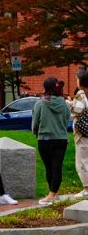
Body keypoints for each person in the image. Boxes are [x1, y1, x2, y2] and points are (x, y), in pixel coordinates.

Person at [32, 76, 71, 205]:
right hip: (61, 139)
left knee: (49, 168)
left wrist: (36, 132)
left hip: (45, 139)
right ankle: (54, 193)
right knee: (57, 167)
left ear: (45, 88)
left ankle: (52, 195)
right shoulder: (64, 104)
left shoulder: (40, 103)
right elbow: (66, 120)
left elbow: (35, 122)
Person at [70, 69, 88, 198]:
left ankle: (87, 189)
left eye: (77, 79)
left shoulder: (81, 93)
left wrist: (70, 105)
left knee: (82, 161)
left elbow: (77, 110)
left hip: (82, 133)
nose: (76, 81)